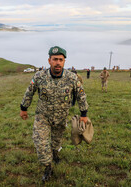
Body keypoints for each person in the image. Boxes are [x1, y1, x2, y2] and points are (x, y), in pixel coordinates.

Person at [20, 46, 89, 182]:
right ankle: (48, 166)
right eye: (54, 59)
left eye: (60, 60)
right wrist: (24, 108)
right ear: (49, 60)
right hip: (42, 116)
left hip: (61, 117)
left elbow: (81, 96)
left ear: (64, 62)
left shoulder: (72, 78)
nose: (57, 62)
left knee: (56, 142)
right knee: (40, 142)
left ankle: (55, 153)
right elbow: (29, 92)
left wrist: (84, 114)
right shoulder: (39, 77)